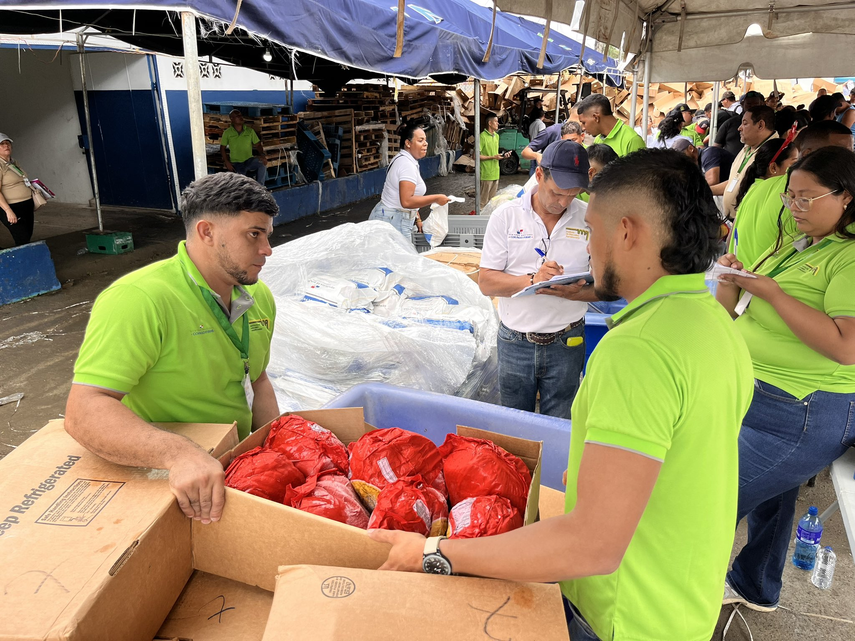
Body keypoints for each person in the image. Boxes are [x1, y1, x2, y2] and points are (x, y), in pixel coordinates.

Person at [370, 149, 754, 641]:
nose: (588, 247)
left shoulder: (638, 350)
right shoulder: (715, 325)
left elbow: (592, 544)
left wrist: (435, 554)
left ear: (627, 232)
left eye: (592, 230)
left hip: (623, 613)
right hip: (683, 600)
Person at [65, 172, 281, 526]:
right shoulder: (139, 299)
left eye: (267, 235)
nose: (267, 250)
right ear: (207, 232)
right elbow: (84, 409)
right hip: (177, 484)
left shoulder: (259, 296)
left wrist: (275, 447)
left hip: (238, 467)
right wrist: (178, 454)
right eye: (253, 234)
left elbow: (257, 380)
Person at [716, 146, 855, 613]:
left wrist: (772, 294)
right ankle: (755, 586)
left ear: (847, 197)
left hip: (803, 409)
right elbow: (735, 311)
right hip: (760, 397)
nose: (794, 208)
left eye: (806, 198)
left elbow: (845, 345)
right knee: (770, 497)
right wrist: (733, 282)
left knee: (710, 496)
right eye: (790, 197)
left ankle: (678, 593)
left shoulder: (849, 258)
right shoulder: (803, 247)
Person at [478, 140, 596, 419]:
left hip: (568, 342)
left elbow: (608, 287)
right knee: (514, 424)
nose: (564, 203)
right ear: (540, 175)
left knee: (560, 423)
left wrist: (574, 294)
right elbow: (486, 283)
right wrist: (533, 280)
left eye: (573, 195)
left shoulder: (589, 218)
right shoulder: (505, 217)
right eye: (557, 193)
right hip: (515, 342)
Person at [728, 121, 854, 268]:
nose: (850, 159)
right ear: (808, 155)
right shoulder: (819, 205)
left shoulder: (758, 186)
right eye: (841, 152)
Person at [369, 123, 449, 243]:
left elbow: (409, 195)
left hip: (394, 217)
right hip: (393, 220)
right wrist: (436, 198)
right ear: (408, 143)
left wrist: (417, 217)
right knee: (399, 260)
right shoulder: (406, 164)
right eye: (420, 140)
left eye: (425, 140)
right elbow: (406, 201)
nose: (425, 144)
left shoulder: (406, 160)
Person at [720, 105, 778, 219]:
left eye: (745, 123)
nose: (739, 128)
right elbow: (735, 181)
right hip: (731, 220)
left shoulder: (773, 153)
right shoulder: (747, 146)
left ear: (760, 125)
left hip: (745, 221)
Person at [734, 137, 798, 210]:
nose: (799, 168)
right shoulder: (780, 195)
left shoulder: (753, 189)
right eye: (795, 163)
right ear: (773, 168)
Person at [574, 93, 646, 156]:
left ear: (596, 117)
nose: (583, 128)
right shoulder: (598, 140)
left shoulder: (632, 140)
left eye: (584, 123)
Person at [0, 133, 35, 247]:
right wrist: (8, 210)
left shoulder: (13, 162)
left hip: (26, 204)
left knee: (27, 235)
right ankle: (23, 262)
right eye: (2, 144)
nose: (6, 146)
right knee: (22, 237)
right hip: (12, 206)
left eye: (8, 143)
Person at [220, 109, 268, 185]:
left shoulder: (250, 131)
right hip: (236, 163)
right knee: (241, 183)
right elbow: (222, 148)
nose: (240, 117)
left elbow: (258, 144)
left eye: (240, 115)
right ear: (232, 119)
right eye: (237, 116)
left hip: (249, 160)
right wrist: (227, 162)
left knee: (262, 164)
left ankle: (260, 187)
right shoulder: (227, 133)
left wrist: (262, 155)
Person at [713, 91, 765, 156]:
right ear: (742, 104)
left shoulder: (766, 124)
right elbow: (715, 147)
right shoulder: (730, 123)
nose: (752, 106)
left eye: (756, 104)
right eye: (749, 104)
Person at [478, 114, 508, 206]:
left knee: (492, 203)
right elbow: (476, 156)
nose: (498, 123)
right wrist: (493, 157)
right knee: (483, 203)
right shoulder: (482, 137)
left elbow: (495, 153)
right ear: (490, 123)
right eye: (496, 121)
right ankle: (480, 219)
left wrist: (504, 156)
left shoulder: (496, 136)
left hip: (495, 173)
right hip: (486, 175)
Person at [526, 108, 547, 176]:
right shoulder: (541, 124)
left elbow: (529, 136)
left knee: (532, 167)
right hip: (539, 149)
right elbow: (543, 136)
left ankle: (530, 182)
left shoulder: (532, 124)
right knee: (538, 168)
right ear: (543, 116)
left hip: (532, 149)